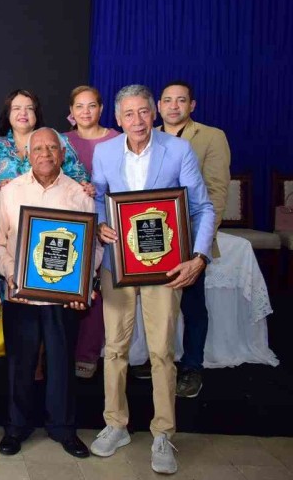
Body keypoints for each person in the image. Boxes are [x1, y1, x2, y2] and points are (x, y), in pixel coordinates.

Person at [90, 85, 215, 475]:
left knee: (161, 350)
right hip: (118, 264)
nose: (138, 120)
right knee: (115, 348)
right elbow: (98, 197)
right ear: (118, 119)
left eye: (144, 112)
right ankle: (116, 424)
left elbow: (203, 207)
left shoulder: (177, 150)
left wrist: (199, 256)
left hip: (165, 267)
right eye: (129, 114)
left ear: (154, 113)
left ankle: (163, 433)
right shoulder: (105, 152)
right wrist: (101, 225)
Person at [0, 127, 99, 459]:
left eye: (52, 148)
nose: (45, 154)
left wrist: (84, 283)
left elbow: (93, 246)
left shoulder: (79, 195)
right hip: (20, 295)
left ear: (63, 154)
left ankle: (63, 428)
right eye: (38, 149)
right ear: (27, 155)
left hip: (62, 297)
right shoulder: (10, 193)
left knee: (62, 363)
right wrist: (13, 274)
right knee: (19, 364)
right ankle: (16, 427)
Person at [154, 80, 230, 398]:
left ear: (192, 105)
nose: (173, 106)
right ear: (158, 105)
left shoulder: (211, 136)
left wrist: (201, 243)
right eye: (167, 100)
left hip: (192, 237)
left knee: (193, 305)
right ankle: (160, 361)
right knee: (157, 304)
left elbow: (217, 193)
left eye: (181, 100)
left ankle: (192, 366)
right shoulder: (148, 135)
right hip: (153, 236)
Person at [64, 86, 120, 379]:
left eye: (91, 106)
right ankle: (65, 351)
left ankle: (88, 353)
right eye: (79, 106)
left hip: (107, 223)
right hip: (72, 223)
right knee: (71, 286)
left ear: (101, 109)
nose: (85, 112)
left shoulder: (117, 139)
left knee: (98, 289)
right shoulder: (62, 140)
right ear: (71, 112)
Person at [0, 89, 89, 202]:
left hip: (48, 207)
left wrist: (84, 187)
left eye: (29, 108)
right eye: (16, 108)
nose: (23, 113)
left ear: (36, 114)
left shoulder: (57, 140)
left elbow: (79, 178)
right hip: (4, 208)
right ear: (8, 114)